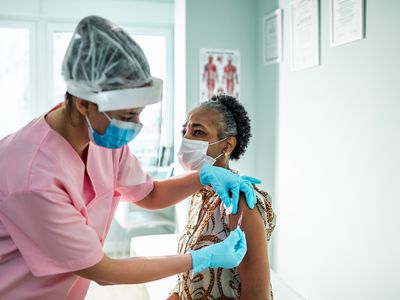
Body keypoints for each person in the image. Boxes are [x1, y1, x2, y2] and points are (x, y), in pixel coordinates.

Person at [0, 16, 260, 300]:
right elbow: (104, 271)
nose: (136, 124)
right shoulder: (31, 176)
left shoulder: (101, 137)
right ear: (84, 103)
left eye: (139, 112)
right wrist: (197, 259)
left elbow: (149, 194)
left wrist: (201, 177)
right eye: (127, 116)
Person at [167, 95, 276, 300]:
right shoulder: (200, 194)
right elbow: (188, 276)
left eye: (198, 132)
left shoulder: (240, 201)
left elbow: (256, 296)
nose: (186, 139)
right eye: (185, 131)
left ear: (227, 146)